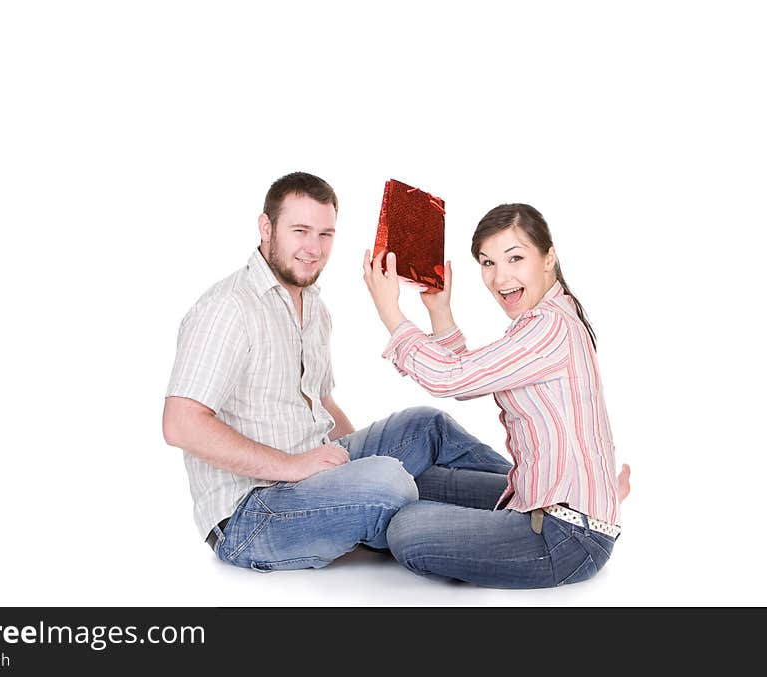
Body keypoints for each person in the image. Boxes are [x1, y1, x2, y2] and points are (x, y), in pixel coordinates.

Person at [162, 171, 513, 572]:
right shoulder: (228, 308)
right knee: (390, 482)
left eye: (325, 234)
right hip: (251, 515)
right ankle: (483, 520)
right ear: (266, 227)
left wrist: (360, 464)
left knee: (425, 425)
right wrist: (295, 467)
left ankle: (531, 499)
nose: (313, 248)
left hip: (315, 467)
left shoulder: (313, 307)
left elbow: (321, 403)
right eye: (300, 231)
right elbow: (181, 424)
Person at [362, 203, 629, 588]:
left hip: (566, 538)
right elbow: (470, 374)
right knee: (418, 481)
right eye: (488, 263)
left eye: (515, 258)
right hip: (539, 497)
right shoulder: (544, 320)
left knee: (406, 527)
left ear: (549, 257)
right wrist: (439, 309)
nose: (500, 277)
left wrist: (390, 311)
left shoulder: (549, 328)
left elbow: (452, 379)